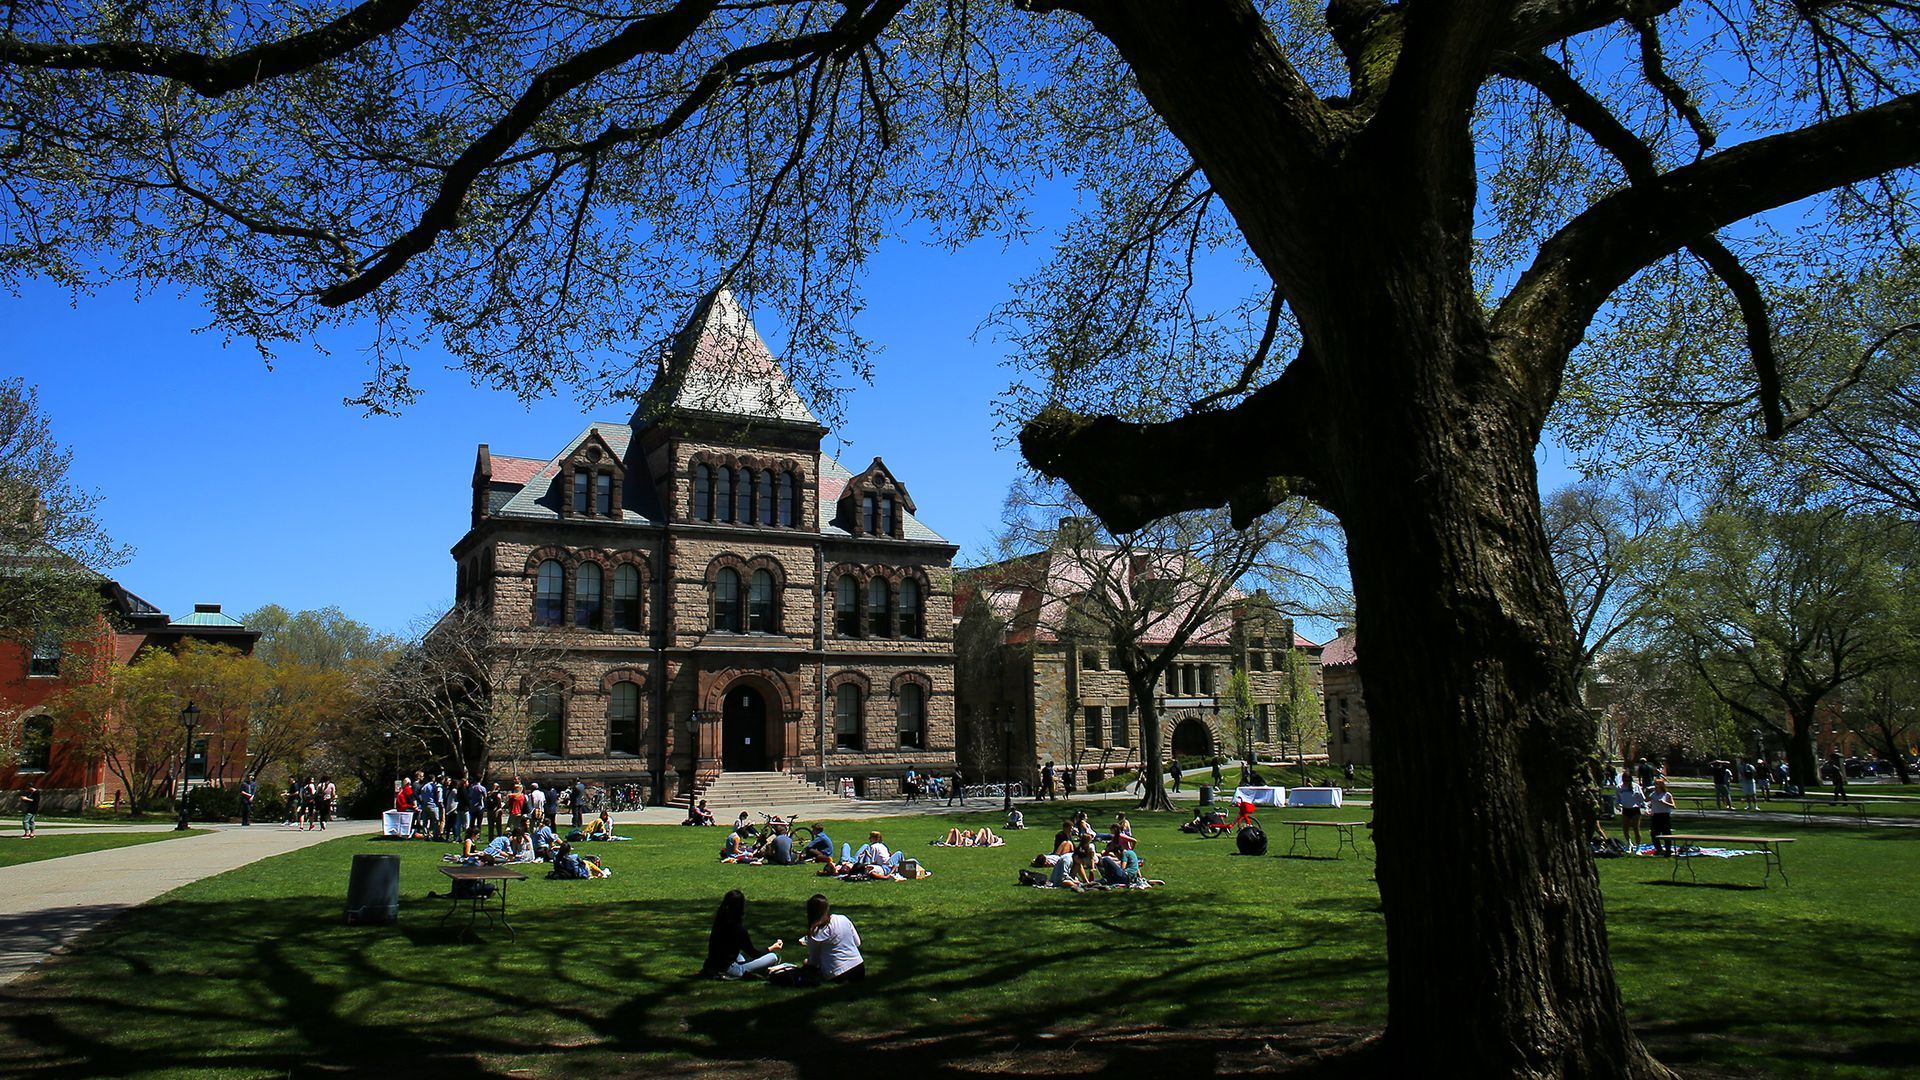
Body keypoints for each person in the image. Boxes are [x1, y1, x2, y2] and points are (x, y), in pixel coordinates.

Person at [796, 894, 865, 984]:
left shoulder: (815, 933)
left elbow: (814, 961)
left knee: (807, 963)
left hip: (838, 973)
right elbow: (857, 943)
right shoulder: (843, 918)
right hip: (859, 969)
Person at [1647, 778, 1676, 856]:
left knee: (1666, 833)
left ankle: (1668, 850)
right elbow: (1646, 800)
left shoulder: (1667, 794)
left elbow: (1673, 806)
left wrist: (1664, 803)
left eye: (1657, 784)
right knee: (1654, 834)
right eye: (1655, 784)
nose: (1655, 786)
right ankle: (1659, 849)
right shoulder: (1653, 794)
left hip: (1665, 815)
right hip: (1656, 815)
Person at [1615, 774, 1645, 851]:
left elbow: (1642, 798)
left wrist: (1644, 804)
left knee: (1636, 828)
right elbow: (1618, 798)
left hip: (1635, 809)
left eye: (1628, 780)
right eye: (1624, 780)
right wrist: (1617, 805)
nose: (1626, 782)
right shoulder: (1619, 787)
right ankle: (1629, 844)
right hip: (1625, 809)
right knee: (1625, 828)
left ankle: (1638, 847)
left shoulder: (1636, 786)